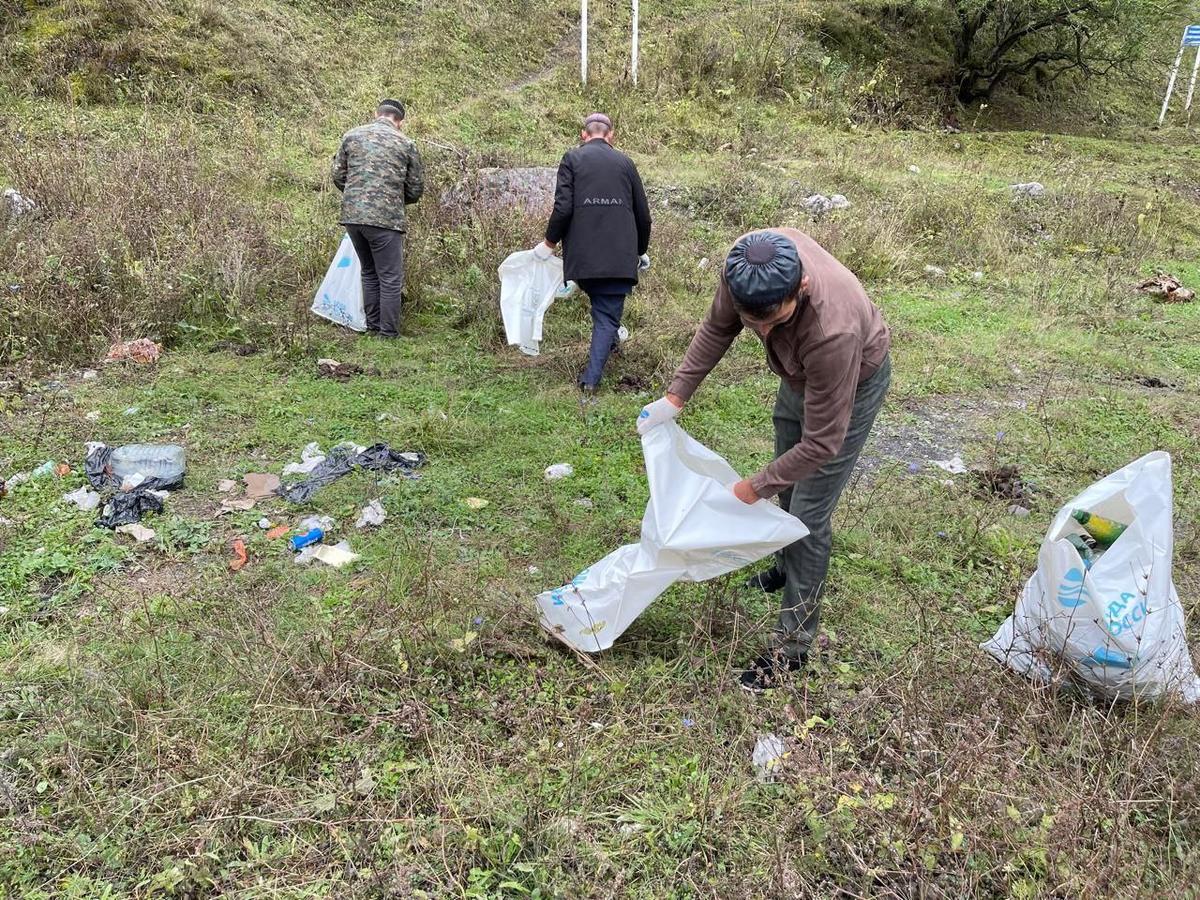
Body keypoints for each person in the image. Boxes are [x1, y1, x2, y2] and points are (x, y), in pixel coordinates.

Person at [637, 229, 892, 692]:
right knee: (785, 482)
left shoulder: (833, 330)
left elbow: (821, 444)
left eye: (773, 320)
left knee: (809, 517)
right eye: (752, 321)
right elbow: (717, 327)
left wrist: (751, 487)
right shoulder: (744, 269)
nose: (761, 332)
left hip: (847, 382)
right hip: (799, 376)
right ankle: (782, 566)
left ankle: (791, 649)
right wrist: (675, 397)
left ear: (802, 289)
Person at [537, 113, 652, 393]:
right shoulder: (626, 163)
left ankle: (610, 347)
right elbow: (644, 216)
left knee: (604, 309)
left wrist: (549, 244)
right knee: (607, 315)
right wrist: (640, 251)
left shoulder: (572, 159)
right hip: (619, 259)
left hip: (583, 260)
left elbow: (563, 207)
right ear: (611, 135)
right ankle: (591, 381)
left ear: (583, 134)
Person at [330, 99, 425, 339]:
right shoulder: (406, 143)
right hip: (386, 220)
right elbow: (415, 188)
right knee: (390, 277)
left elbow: (338, 175)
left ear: (376, 114)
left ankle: (373, 326)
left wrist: (356, 197)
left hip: (352, 217)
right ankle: (388, 333)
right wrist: (395, 200)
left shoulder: (351, 136)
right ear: (400, 122)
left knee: (369, 271)